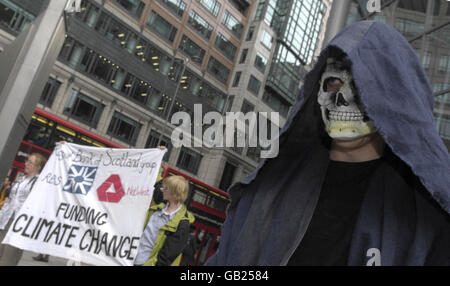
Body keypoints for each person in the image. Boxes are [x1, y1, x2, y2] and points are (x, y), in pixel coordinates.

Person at [205, 21, 450, 266]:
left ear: (394, 97)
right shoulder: (266, 194)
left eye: (363, 84)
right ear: (318, 92)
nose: (343, 97)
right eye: (333, 82)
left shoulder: (425, 219)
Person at [134, 174, 195, 266]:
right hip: (130, 260)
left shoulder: (182, 224)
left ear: (175, 193)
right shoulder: (155, 209)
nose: (162, 190)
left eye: (166, 188)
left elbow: (165, 258)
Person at [0, 153, 47, 265]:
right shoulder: (21, 179)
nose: (26, 164)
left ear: (38, 167)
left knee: (8, 260)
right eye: (27, 161)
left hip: (20, 225)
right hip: (6, 220)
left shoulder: (40, 182)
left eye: (30, 162)